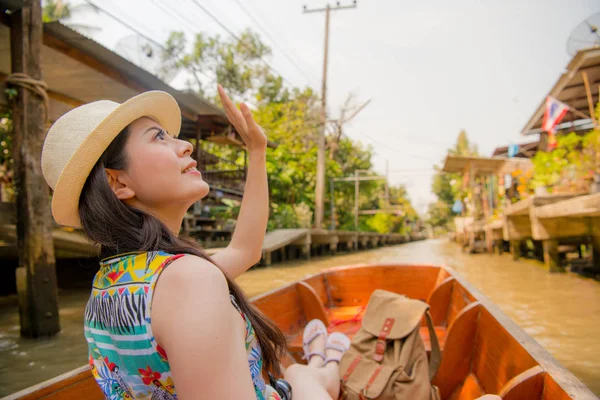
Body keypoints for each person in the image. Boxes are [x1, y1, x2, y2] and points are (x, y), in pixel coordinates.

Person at [40, 86, 350, 400]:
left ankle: (317, 361)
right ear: (118, 182)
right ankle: (325, 361)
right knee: (307, 384)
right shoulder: (189, 281)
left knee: (298, 376)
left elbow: (245, 250)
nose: (187, 145)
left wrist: (257, 152)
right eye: (158, 137)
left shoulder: (110, 282)